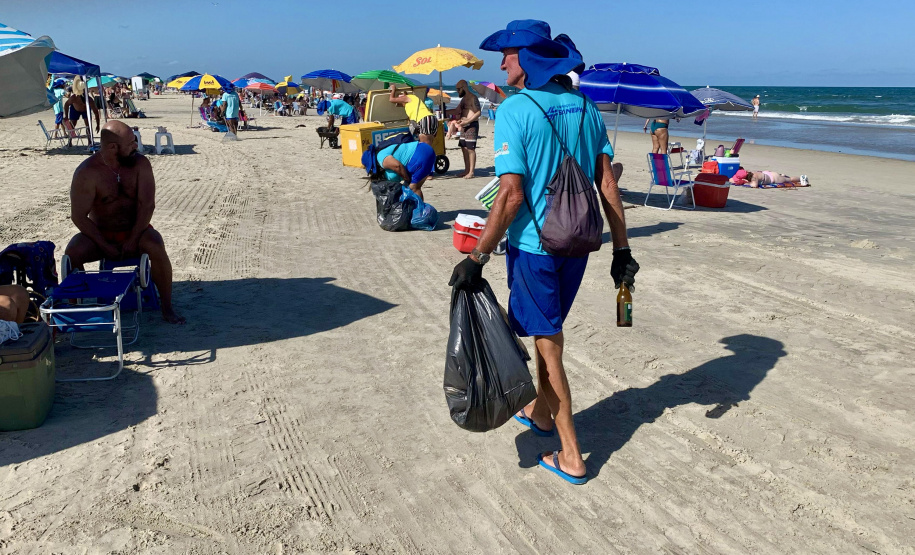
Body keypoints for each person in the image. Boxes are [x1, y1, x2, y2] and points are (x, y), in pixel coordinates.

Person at [449, 20, 639, 485]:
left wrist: (476, 258)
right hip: (578, 243)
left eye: (508, 54)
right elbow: (608, 183)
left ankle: (571, 455)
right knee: (545, 334)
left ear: (528, 58)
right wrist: (622, 248)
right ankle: (541, 415)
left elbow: (511, 196)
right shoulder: (585, 106)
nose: (502, 63)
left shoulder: (517, 110)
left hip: (535, 247)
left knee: (550, 349)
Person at [64, 120, 185, 324]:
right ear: (113, 148)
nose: (136, 146)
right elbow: (78, 216)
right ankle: (78, 309)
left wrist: (133, 238)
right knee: (72, 252)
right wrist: (103, 244)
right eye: (131, 143)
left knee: (156, 245)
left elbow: (147, 205)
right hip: (101, 235)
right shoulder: (87, 173)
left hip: (137, 231)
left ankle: (167, 307)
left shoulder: (140, 164)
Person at [450, 80, 482, 178]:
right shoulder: (463, 99)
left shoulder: (473, 98)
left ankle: (471, 172)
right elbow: (457, 110)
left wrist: (467, 121)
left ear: (464, 87)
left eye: (458, 89)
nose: (458, 92)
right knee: (464, 148)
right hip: (463, 125)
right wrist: (443, 110)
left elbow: (478, 112)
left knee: (470, 149)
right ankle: (466, 170)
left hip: (471, 125)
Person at [731, 168, 809, 188]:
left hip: (773, 178)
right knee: (784, 177)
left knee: (789, 180)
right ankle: (783, 175)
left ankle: (801, 178)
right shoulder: (752, 173)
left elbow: (754, 185)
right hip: (767, 173)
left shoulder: (754, 178)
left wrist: (745, 182)